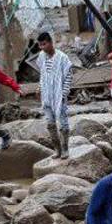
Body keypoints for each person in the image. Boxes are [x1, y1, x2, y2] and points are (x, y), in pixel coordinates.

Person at [36, 31, 73, 159]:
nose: (42, 47)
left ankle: (65, 149)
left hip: (59, 95)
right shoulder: (41, 56)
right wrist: (39, 88)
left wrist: (64, 93)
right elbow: (43, 75)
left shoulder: (62, 58)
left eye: (44, 44)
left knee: (63, 124)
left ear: (51, 42)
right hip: (46, 95)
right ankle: (57, 150)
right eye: (40, 45)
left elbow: (68, 76)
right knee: (50, 124)